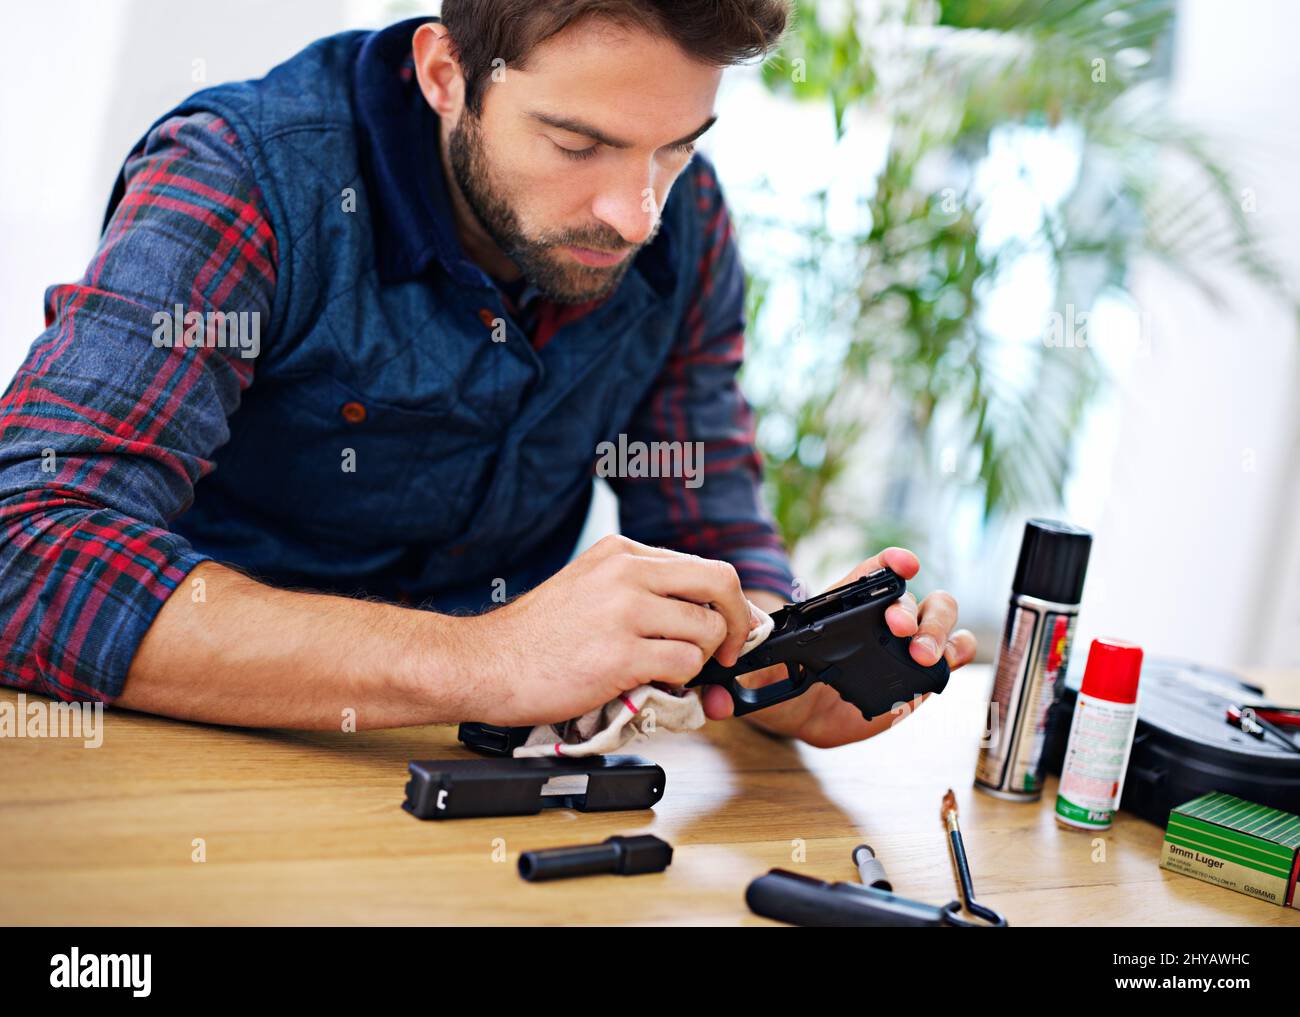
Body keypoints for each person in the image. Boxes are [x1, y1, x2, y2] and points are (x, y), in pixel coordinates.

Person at [0, 1, 974, 746]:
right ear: (444, 74)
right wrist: (481, 656)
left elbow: (703, 524)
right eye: (577, 143)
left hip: (479, 792)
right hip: (180, 759)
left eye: (674, 148)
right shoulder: (243, 177)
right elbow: (27, 552)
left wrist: (777, 662)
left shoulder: (686, 223)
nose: (636, 213)